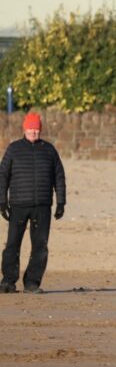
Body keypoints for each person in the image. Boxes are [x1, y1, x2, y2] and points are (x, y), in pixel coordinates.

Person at [0, 112, 66, 294]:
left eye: (36, 130)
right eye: (30, 129)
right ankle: (8, 282)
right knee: (13, 244)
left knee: (40, 246)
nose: (34, 133)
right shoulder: (14, 149)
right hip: (19, 205)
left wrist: (61, 202)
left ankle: (32, 283)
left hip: (43, 206)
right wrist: (2, 202)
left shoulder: (49, 150)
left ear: (40, 130)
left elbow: (59, 177)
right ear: (24, 129)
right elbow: (3, 175)